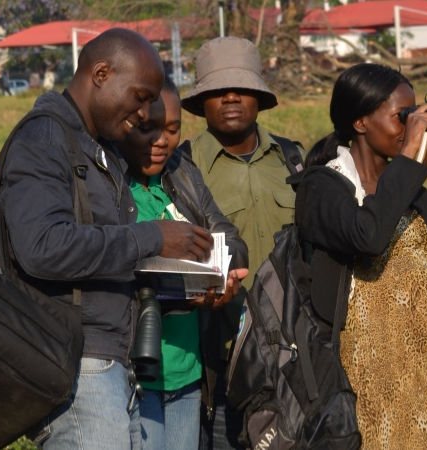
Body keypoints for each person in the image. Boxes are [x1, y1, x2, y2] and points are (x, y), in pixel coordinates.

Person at [0, 28, 215, 449]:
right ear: (100, 73)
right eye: (140, 96)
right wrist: (151, 237)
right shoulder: (44, 138)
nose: (145, 112)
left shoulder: (100, 148)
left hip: (115, 363)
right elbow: (43, 247)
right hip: (77, 363)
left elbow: (107, 257)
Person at [294, 63, 427, 448]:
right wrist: (410, 155)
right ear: (360, 122)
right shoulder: (322, 187)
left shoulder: (410, 190)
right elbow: (368, 236)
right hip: (372, 382)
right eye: (400, 117)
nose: (410, 128)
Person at [180, 36, 305, 449]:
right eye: (218, 90)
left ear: (259, 97)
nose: (231, 96)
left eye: (241, 87)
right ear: (201, 101)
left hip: (291, 358)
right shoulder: (181, 168)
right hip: (219, 360)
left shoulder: (293, 159)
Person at [114, 78, 249, 450]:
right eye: (148, 129)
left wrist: (221, 276)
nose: (162, 141)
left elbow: (229, 236)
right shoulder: (109, 184)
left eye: (172, 130)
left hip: (187, 371)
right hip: (133, 373)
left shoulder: (181, 172)